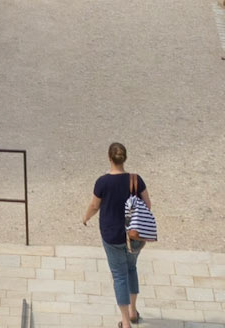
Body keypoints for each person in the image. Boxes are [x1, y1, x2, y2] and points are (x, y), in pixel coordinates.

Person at [84, 140, 150, 328]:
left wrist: (85, 217)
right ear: (125, 158)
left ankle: (125, 322)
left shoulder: (102, 182)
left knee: (119, 275)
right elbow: (148, 204)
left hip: (112, 236)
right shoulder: (136, 180)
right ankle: (133, 310)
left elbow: (95, 205)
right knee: (131, 269)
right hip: (134, 235)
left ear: (109, 158)